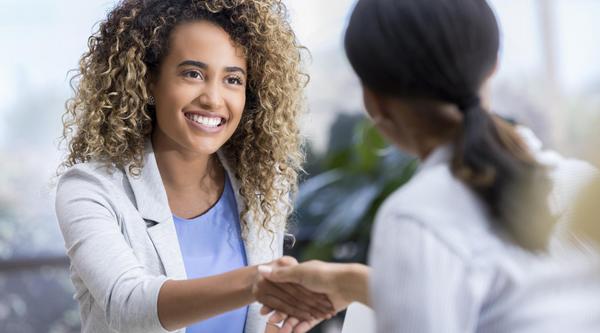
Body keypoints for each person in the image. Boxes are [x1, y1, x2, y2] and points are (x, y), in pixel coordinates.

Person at [259, 0, 600, 332]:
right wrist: (353, 283)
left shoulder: (417, 217)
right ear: (493, 66)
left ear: (373, 101)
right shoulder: (581, 184)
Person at [54, 1, 334, 332]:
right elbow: (128, 305)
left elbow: (258, 322)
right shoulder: (89, 189)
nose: (214, 99)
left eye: (232, 79)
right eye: (193, 74)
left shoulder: (259, 184)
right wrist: (257, 282)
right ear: (149, 82)